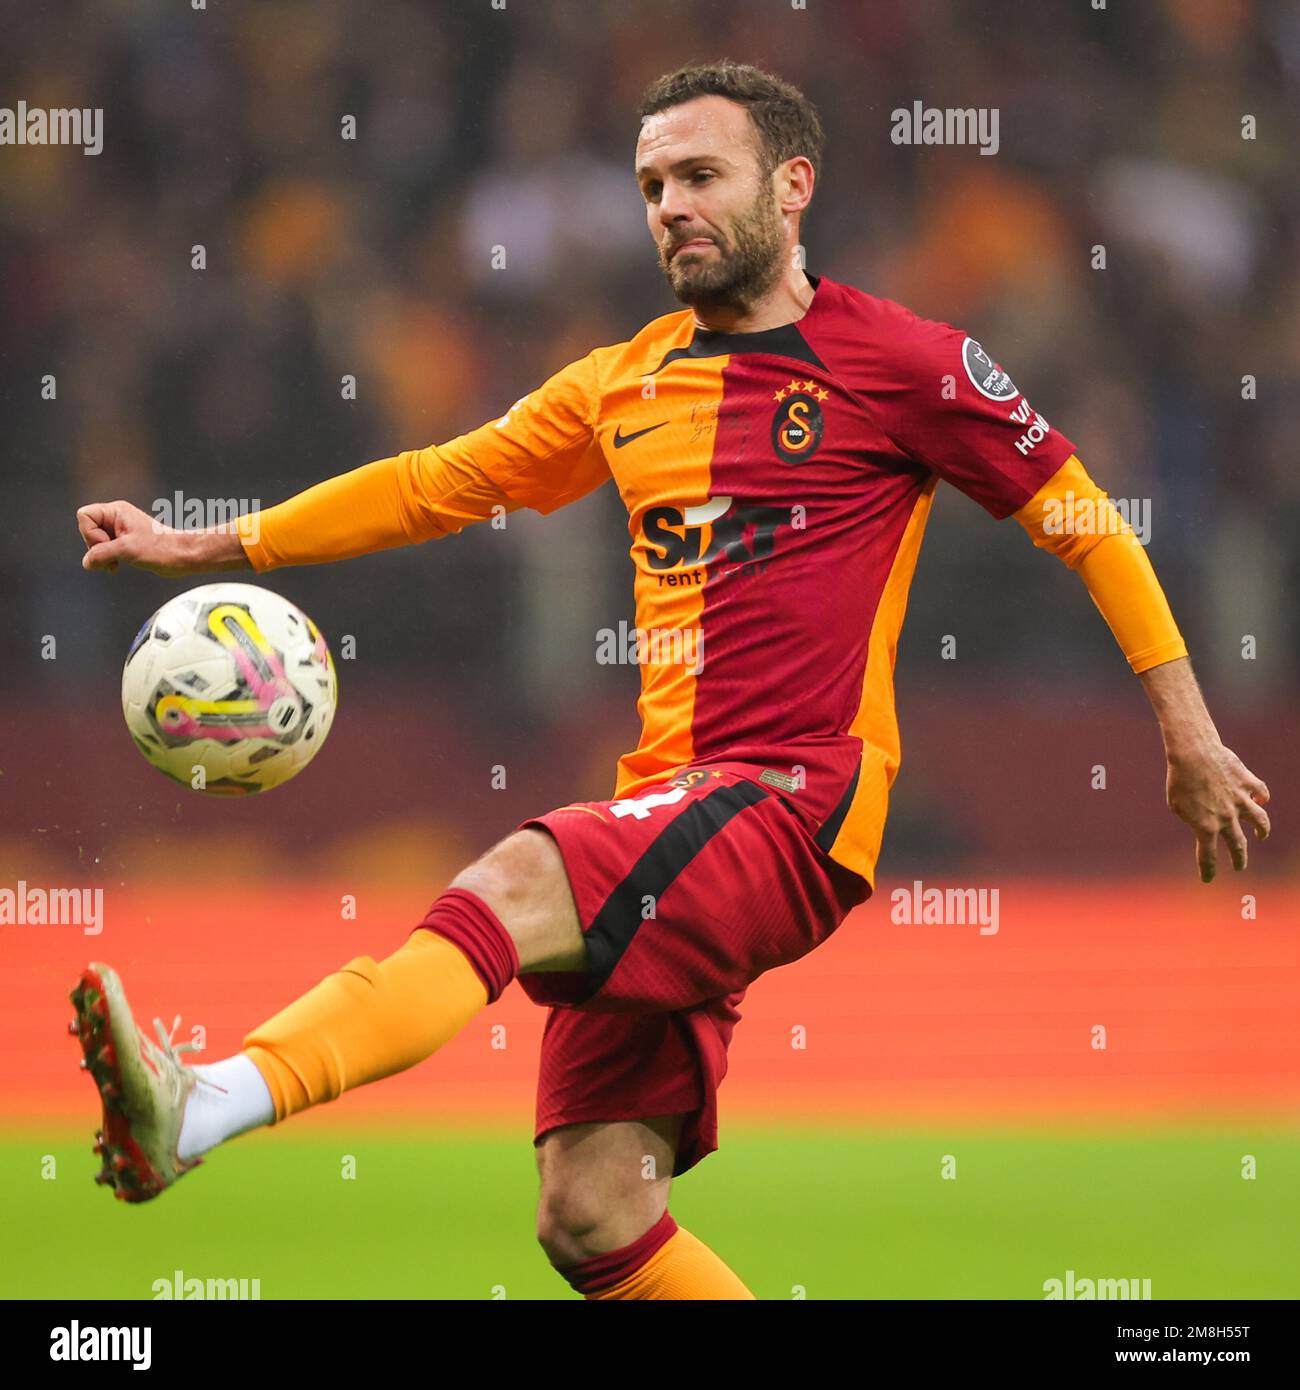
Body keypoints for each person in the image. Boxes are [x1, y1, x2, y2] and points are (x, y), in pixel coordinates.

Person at [71, 60, 1269, 1301]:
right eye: (650, 186)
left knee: (517, 876)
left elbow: (1081, 516)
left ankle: (208, 1101)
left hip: (792, 800)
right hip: (676, 808)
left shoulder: (906, 362)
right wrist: (211, 541)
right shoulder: (620, 380)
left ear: (791, 187)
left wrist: (1183, 729)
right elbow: (437, 482)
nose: (670, 207)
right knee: (589, 1212)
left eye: (700, 175)